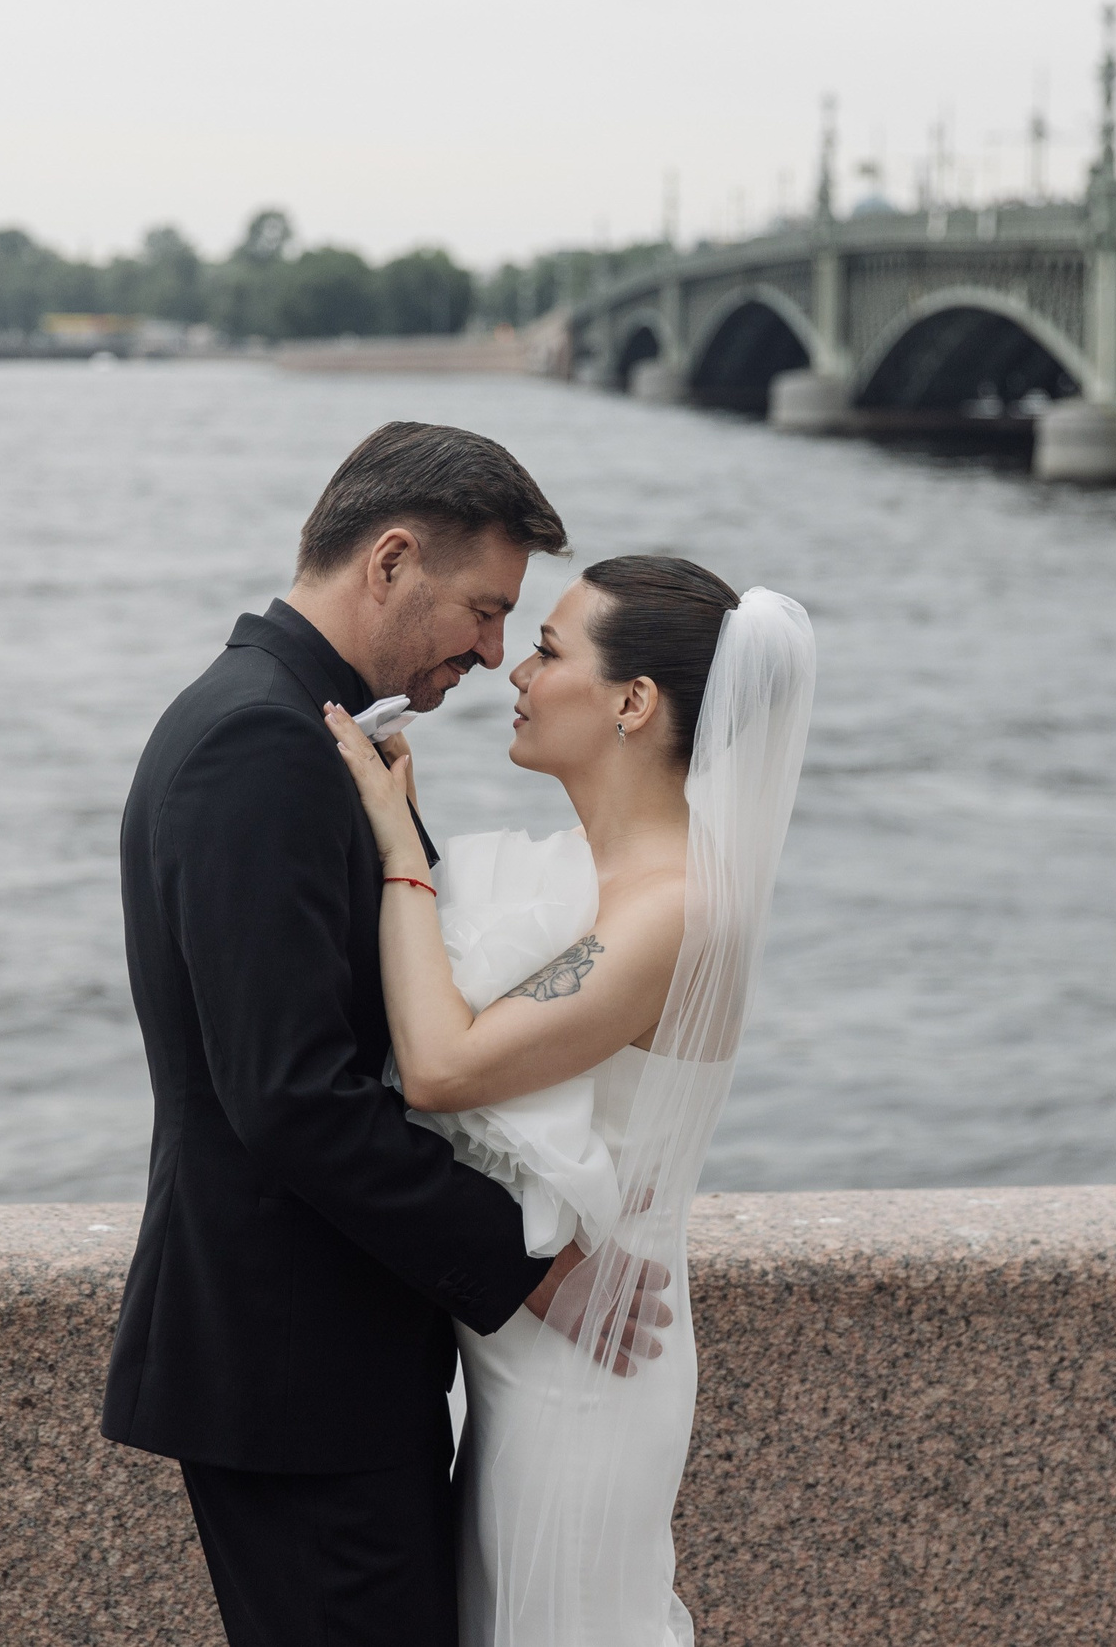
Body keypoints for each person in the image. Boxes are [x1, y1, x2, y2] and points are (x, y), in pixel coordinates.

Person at [102, 422, 671, 1647]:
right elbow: (293, 1094)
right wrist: (528, 1268)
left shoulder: (299, 730)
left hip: (323, 1366)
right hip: (298, 1377)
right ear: (392, 559)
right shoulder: (262, 744)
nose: (494, 649)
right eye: (482, 608)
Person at [319, 555, 816, 1647]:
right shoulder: (594, 884)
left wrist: (399, 844)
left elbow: (445, 1066)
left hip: (589, 1374)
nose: (515, 672)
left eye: (548, 651)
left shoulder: (674, 909)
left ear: (633, 702)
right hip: (525, 1349)